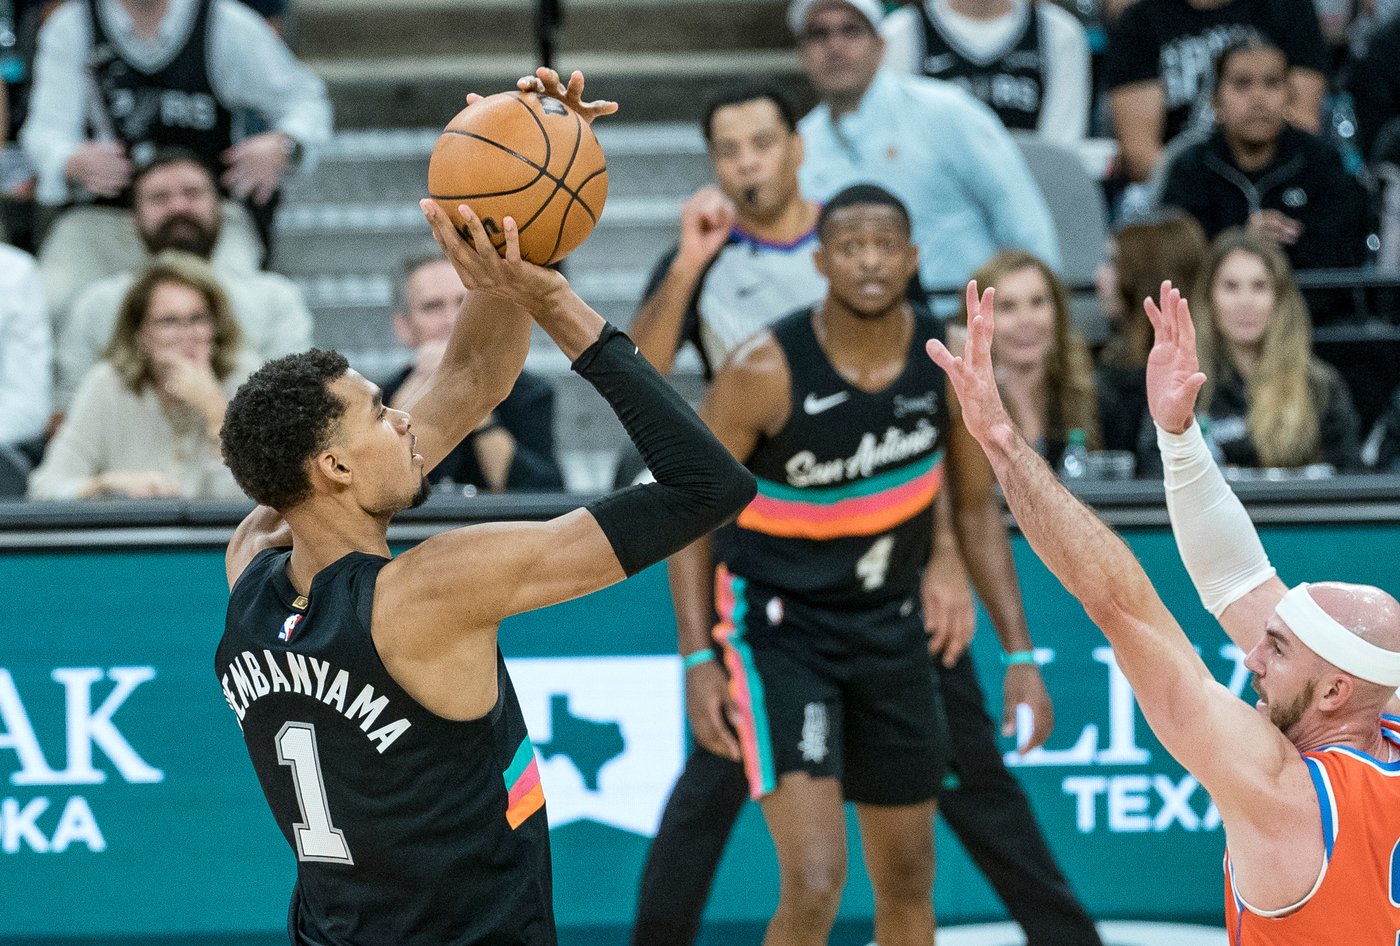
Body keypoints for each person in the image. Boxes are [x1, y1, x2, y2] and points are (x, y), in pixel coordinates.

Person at [214, 69, 755, 946]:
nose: (406, 415)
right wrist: (558, 303)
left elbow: (468, 381)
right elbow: (709, 487)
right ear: (337, 467)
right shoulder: (437, 589)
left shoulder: (253, 561)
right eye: (380, 412)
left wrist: (511, 232)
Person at [630, 90, 1099, 946]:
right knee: (812, 879)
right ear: (823, 260)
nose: (872, 262)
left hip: (892, 624)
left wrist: (1020, 649)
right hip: (778, 629)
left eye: (888, 246)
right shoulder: (763, 367)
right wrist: (698, 656)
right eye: (852, 247)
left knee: (911, 877)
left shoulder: (943, 366)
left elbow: (971, 506)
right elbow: (688, 507)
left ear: (914, 255)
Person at [930, 275, 1400, 946]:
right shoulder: (1381, 702)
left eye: (1279, 650)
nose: (1250, 656)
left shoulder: (1284, 794)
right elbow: (1240, 578)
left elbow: (1122, 607)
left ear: (1335, 690)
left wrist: (1000, 440)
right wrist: (1178, 439)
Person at [20, 0, 332, 304]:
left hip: (207, 221)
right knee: (51, 300)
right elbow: (44, 131)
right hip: (110, 219)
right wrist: (71, 160)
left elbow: (306, 99)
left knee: (238, 308)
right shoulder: (73, 25)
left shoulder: (225, 21)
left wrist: (283, 144)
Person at [790, 0, 1059, 311]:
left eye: (851, 30)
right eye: (818, 34)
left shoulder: (947, 111)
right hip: (857, 332)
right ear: (802, 53)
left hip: (968, 322)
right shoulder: (799, 143)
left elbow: (1021, 218)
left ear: (880, 45)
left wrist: (1045, 315)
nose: (835, 46)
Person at [55, 149, 312, 409]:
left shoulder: (276, 299)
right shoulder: (96, 305)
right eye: (159, 198)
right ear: (134, 220)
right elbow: (68, 411)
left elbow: (294, 413)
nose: (178, 207)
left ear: (221, 211)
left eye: (192, 193)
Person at [28, 251, 253, 499]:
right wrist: (101, 486)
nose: (187, 334)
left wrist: (216, 413)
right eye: (169, 321)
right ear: (141, 335)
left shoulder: (245, 380)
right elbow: (44, 489)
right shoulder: (109, 384)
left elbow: (267, 505)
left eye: (198, 319)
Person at [1137, 229, 1362, 475]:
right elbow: (1154, 472)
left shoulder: (1321, 386)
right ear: (1209, 298)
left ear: (1280, 299)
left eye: (1259, 286)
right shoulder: (1183, 384)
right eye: (1231, 287)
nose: (1245, 301)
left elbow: (1348, 475)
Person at [1158, 39, 1370, 285]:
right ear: (1215, 100)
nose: (1258, 98)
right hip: (1212, 316)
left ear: (1289, 95)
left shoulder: (1322, 162)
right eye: (1242, 84)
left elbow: (1347, 256)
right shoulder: (1189, 169)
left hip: (1313, 315)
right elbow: (1174, 263)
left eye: (1272, 83)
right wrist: (1240, 245)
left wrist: (1283, 253)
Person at [387, 253, 563, 493]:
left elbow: (543, 495)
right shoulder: (383, 397)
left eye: (463, 302)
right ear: (403, 327)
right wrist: (417, 391)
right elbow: (377, 489)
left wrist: (472, 399)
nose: (451, 321)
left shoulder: (528, 392)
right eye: (433, 307)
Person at [1104, 0, 1328, 183]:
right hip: (1184, 183)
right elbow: (1139, 154)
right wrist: (1207, 191)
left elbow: (1303, 124)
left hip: (1277, 179)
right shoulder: (1140, 21)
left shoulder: (1288, 8)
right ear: (1214, 99)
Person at [959, 249, 1099, 470]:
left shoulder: (1097, 395)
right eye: (1007, 307)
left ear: (1057, 312)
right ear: (977, 320)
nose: (1026, 320)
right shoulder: (959, 408)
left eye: (1037, 302)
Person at [880, 0, 1092, 147]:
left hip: (1031, 193)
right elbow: (898, 145)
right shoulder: (900, 32)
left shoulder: (1059, 32)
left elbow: (1059, 151)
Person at [1095, 210, 1208, 460]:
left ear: (1144, 276)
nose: (1099, 276)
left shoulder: (1206, 370)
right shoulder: (1110, 370)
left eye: (1113, 263)